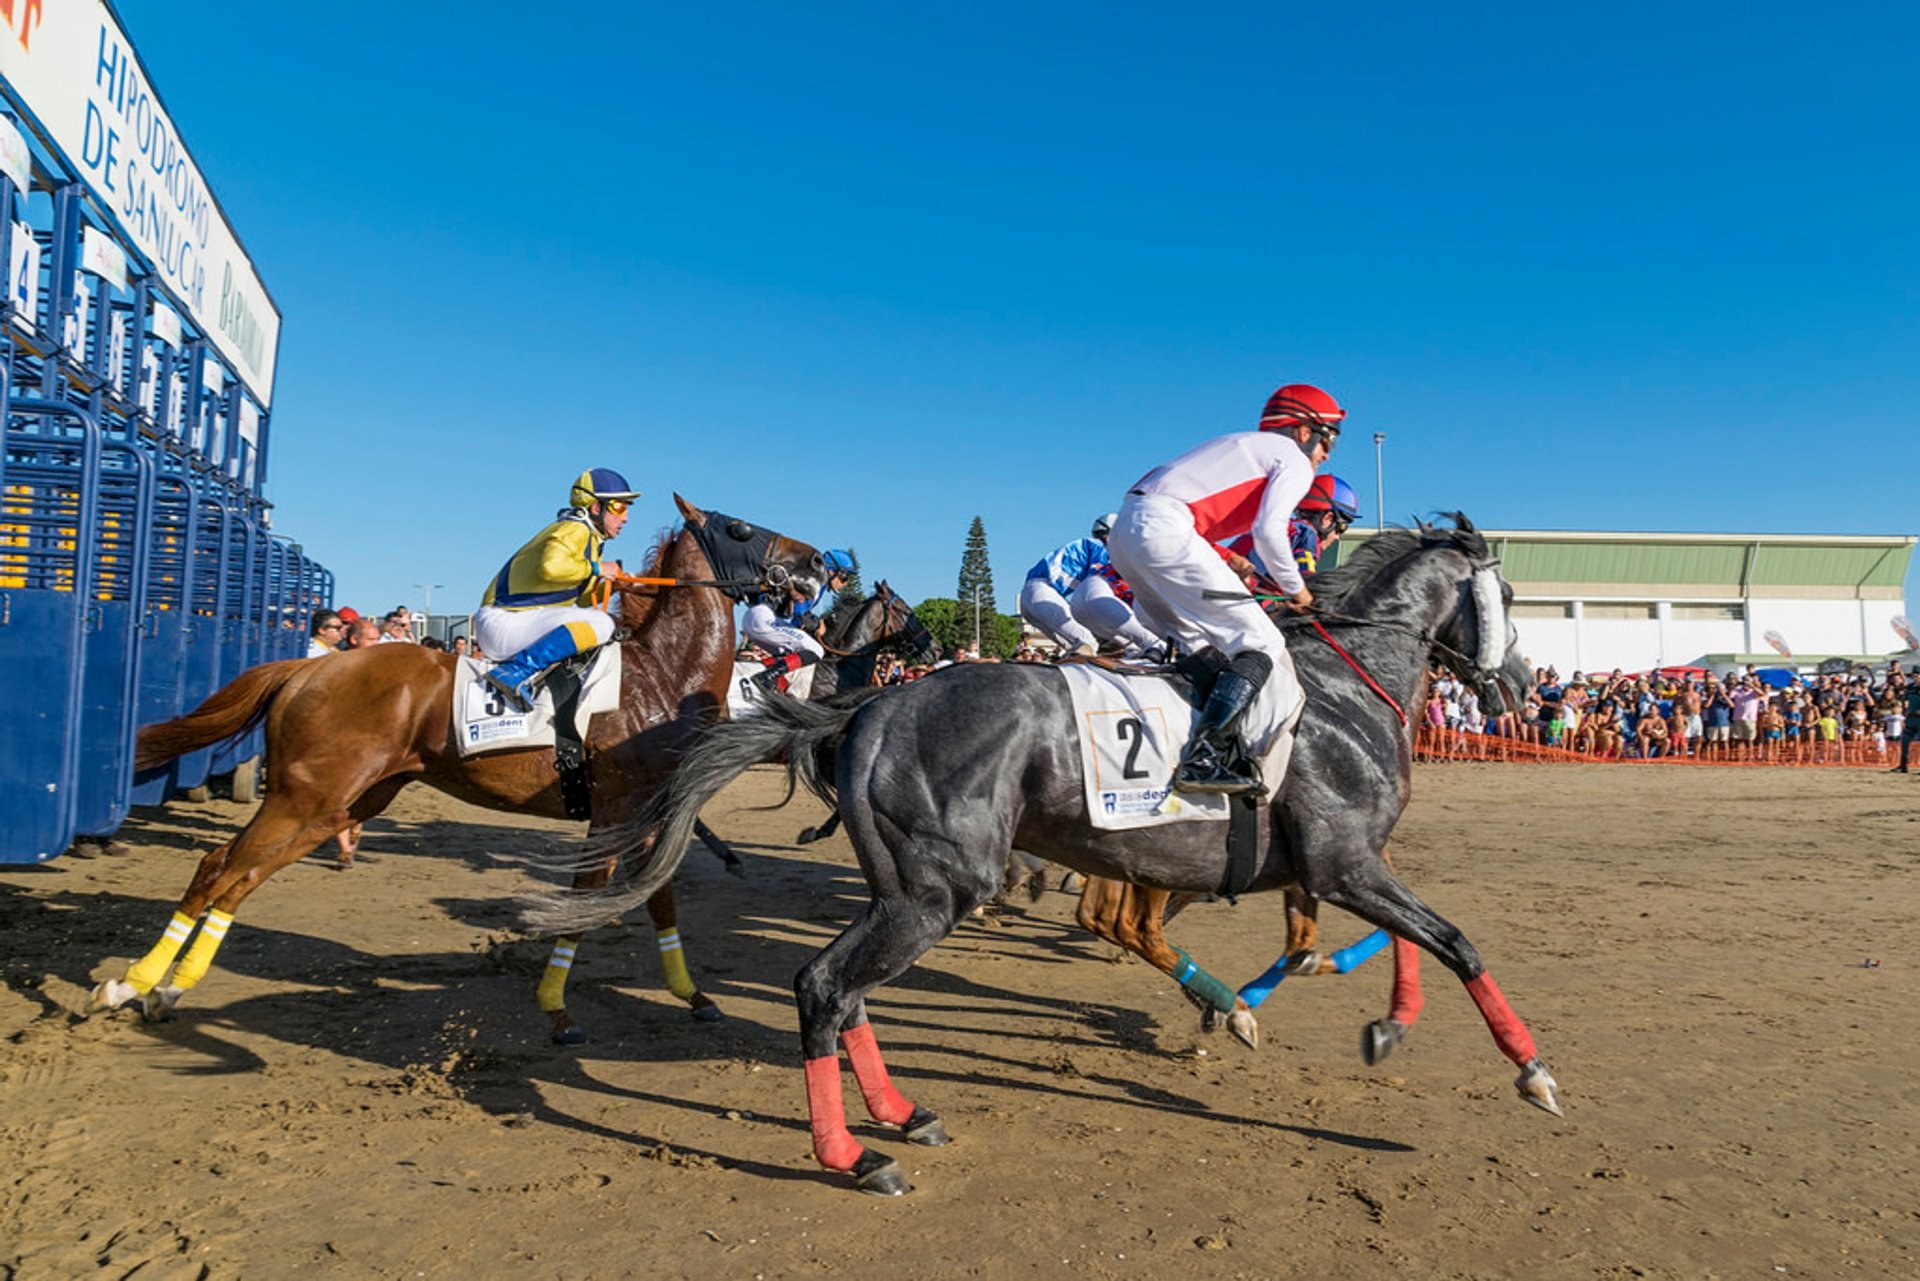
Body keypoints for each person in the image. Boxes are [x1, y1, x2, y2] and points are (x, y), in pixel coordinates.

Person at [1107, 382, 1342, 794]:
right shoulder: (1294, 459)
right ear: (1305, 431)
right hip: (1165, 531)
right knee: (1263, 642)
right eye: (1328, 442)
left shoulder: (1239, 444)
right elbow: (1269, 531)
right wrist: (1297, 591)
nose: (1325, 455)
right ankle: (1203, 757)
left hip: (1128, 532)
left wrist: (1230, 559)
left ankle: (1184, 741)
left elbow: (1181, 507)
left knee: (1200, 644)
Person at [474, 467, 641, 711]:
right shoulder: (575, 528)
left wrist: (613, 586)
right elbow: (551, 568)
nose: (625, 518)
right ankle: (515, 672)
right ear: (596, 508)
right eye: (619, 508)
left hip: (514, 621)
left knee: (603, 621)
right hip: (504, 621)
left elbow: (582, 600)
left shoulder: (591, 539)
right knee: (602, 624)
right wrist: (596, 568)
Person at [1019, 515, 1164, 658]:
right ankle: (1139, 650)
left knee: (1074, 647)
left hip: (1031, 597)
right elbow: (1103, 589)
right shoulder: (1100, 547)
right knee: (1088, 642)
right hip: (1042, 594)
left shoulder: (1087, 544)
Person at [743, 548, 856, 696]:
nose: (845, 583)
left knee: (795, 655)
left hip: (758, 618)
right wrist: (817, 624)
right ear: (832, 572)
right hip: (764, 617)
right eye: (845, 577)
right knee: (816, 650)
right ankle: (765, 678)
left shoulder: (818, 585)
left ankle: (769, 681)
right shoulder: (815, 581)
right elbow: (799, 612)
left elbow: (797, 620)